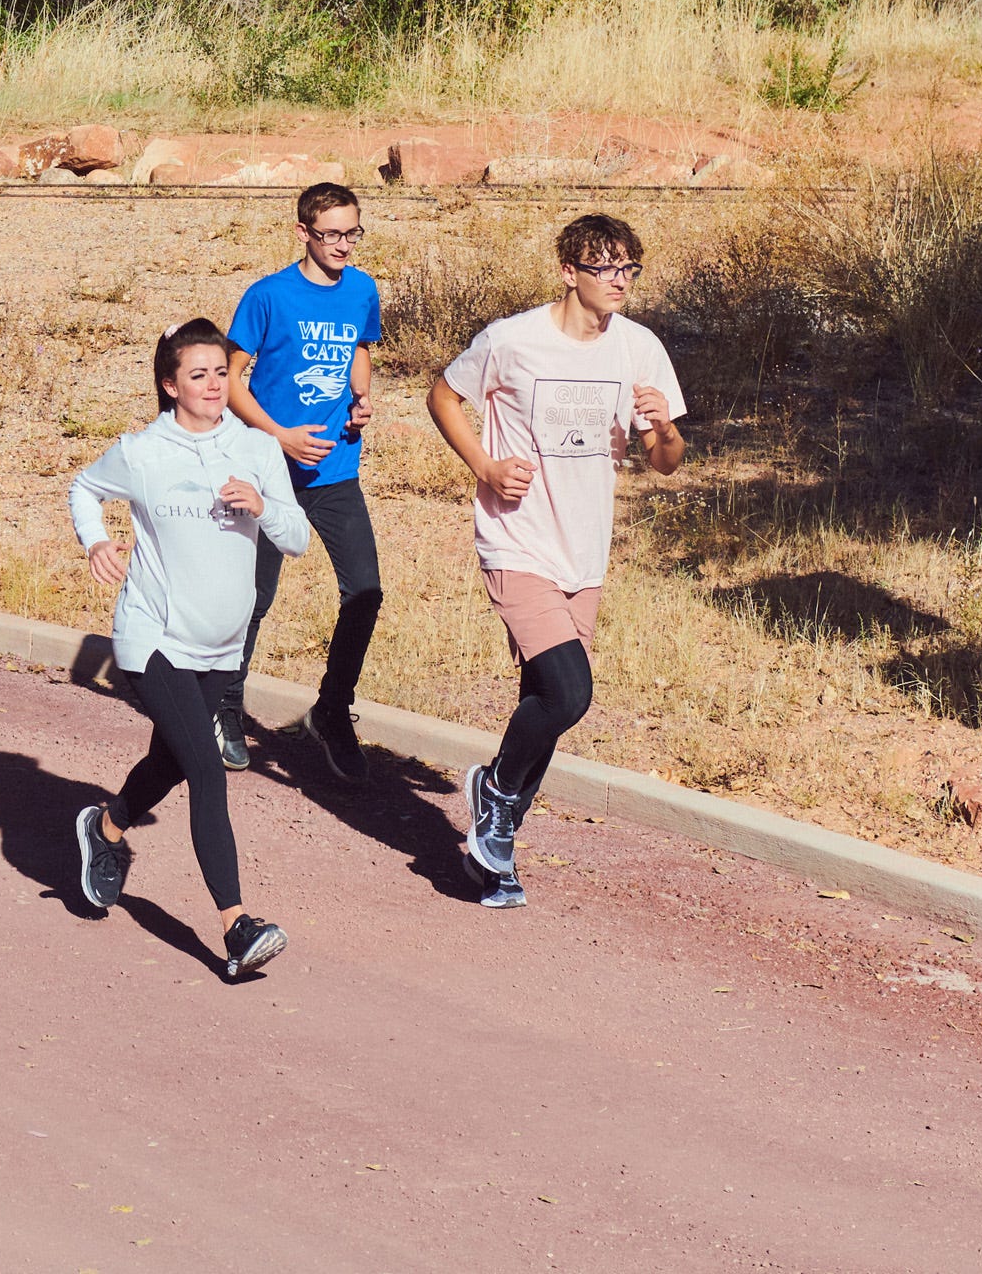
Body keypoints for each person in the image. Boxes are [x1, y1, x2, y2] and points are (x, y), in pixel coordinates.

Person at [428, 213, 686, 907]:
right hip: (517, 539)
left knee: (540, 700)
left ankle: (494, 857)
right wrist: (484, 465)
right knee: (571, 692)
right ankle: (495, 792)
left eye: (630, 268)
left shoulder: (638, 348)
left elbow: (666, 463)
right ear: (568, 270)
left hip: (585, 551)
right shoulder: (512, 340)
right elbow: (444, 396)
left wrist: (662, 425)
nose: (620, 282)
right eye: (606, 268)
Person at [69, 317, 309, 982]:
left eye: (221, 373)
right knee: (206, 770)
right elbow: (84, 488)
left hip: (222, 646)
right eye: (197, 374)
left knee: (172, 760)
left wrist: (263, 505)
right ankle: (236, 925)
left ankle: (107, 828)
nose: (212, 385)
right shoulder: (144, 452)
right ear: (171, 384)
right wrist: (96, 541)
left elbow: (296, 538)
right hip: (153, 637)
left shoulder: (258, 449)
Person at [223, 180, 383, 783]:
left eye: (352, 232)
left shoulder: (362, 289)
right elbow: (233, 380)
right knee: (255, 598)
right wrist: (279, 434)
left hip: (336, 468)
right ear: (303, 233)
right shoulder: (268, 296)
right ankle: (225, 705)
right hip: (269, 470)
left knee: (364, 591)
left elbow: (361, 350)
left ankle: (332, 711)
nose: (343, 244)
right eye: (331, 233)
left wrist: (362, 400)